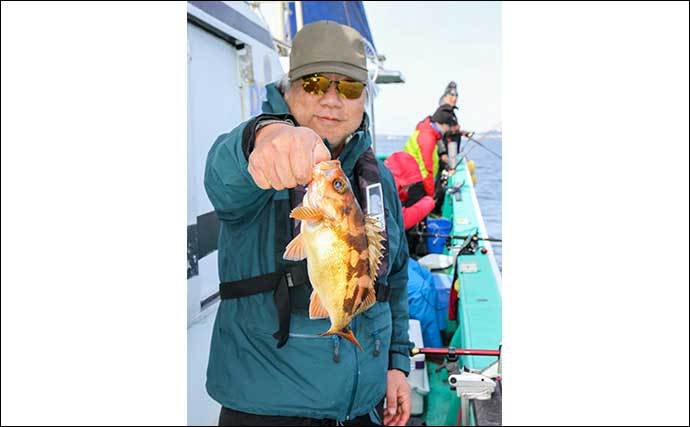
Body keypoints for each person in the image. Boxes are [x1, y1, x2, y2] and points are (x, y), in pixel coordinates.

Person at [204, 21, 413, 426]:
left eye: (349, 87)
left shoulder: (378, 178)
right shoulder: (261, 159)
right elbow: (222, 177)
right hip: (266, 411)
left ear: (363, 99)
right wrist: (261, 138)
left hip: (362, 408)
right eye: (315, 82)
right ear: (287, 90)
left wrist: (396, 365)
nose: (332, 100)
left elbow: (395, 277)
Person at [402, 104, 458, 200]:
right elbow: (427, 170)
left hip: (414, 180)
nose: (447, 131)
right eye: (448, 127)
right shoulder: (427, 138)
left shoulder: (428, 130)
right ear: (443, 124)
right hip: (416, 184)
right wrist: (430, 195)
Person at [384, 152, 435, 231]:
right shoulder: (387, 192)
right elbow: (401, 221)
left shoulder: (389, 182)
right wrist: (429, 202)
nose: (407, 189)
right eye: (408, 185)